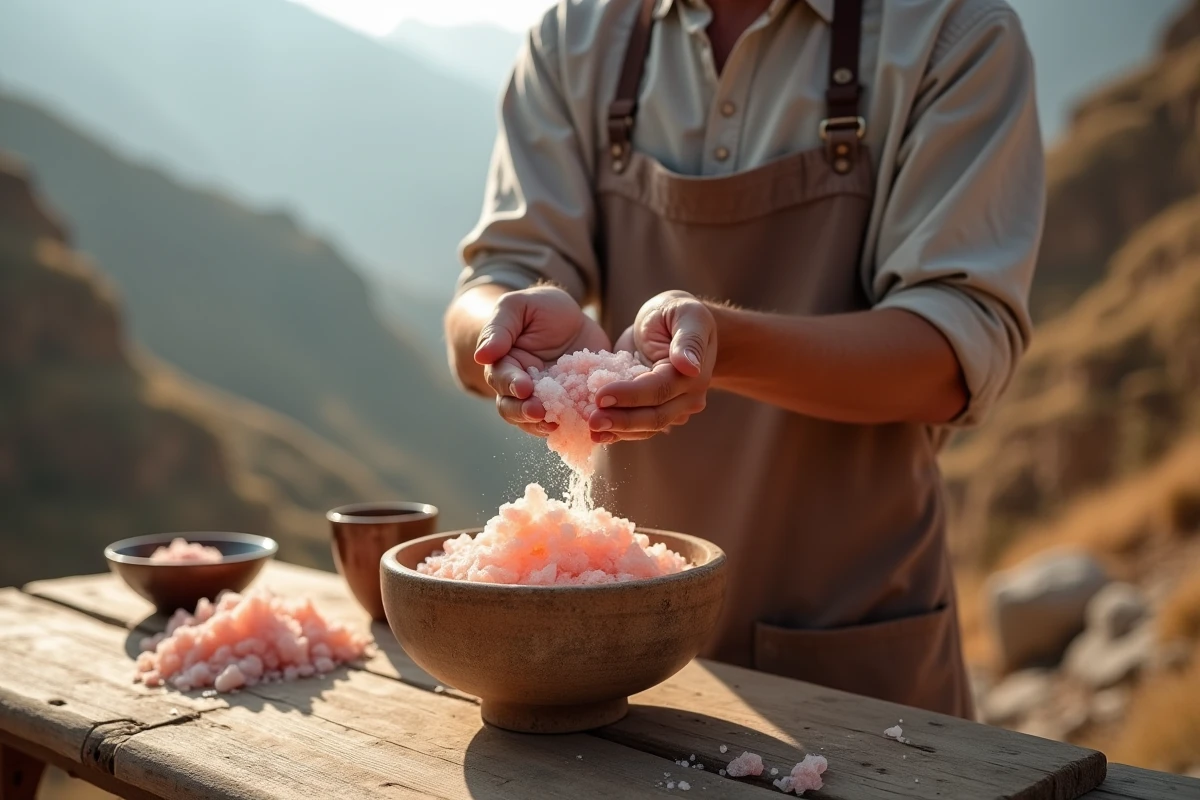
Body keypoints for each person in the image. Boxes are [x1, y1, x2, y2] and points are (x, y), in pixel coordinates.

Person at [444, 0, 1044, 719]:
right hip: (621, 649)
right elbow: (493, 283)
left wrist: (721, 346)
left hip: (850, 655)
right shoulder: (578, 35)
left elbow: (953, 355)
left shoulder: (953, 33)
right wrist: (504, 328)